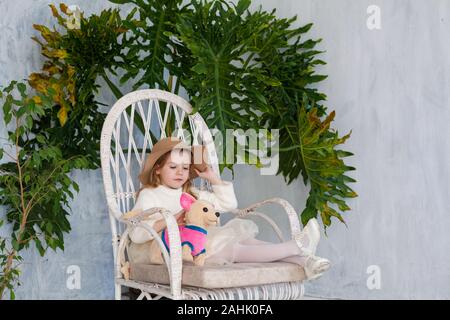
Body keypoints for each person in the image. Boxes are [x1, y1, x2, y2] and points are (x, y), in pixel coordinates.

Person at [126, 137, 330, 280]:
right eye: (173, 167)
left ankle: (305, 261)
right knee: (231, 248)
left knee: (245, 238)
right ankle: (295, 247)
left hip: (198, 241)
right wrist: (169, 220)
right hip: (172, 251)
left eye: (186, 168)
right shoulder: (149, 194)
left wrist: (213, 178)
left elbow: (228, 205)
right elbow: (136, 233)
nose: (180, 172)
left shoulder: (192, 195)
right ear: (158, 169)